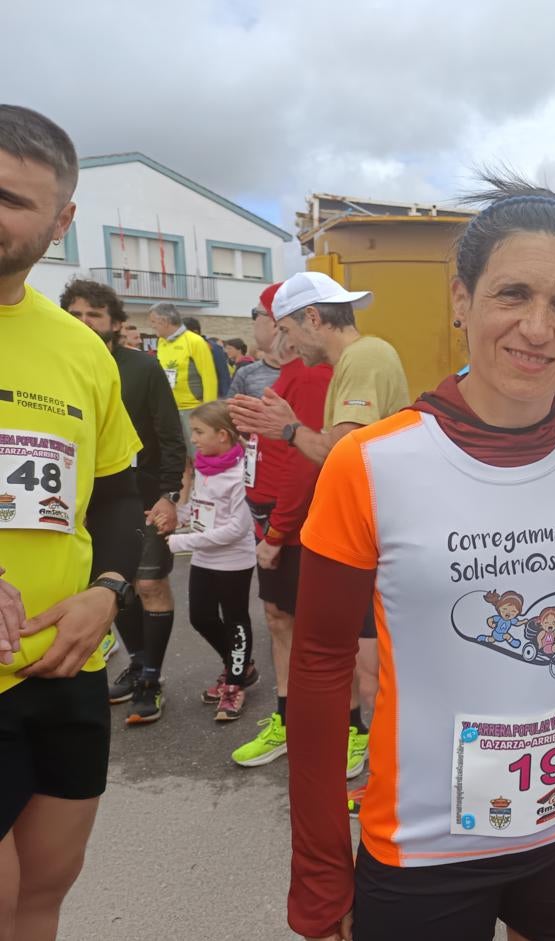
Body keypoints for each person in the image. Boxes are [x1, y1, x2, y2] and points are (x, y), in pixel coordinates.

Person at [285, 176, 555, 941]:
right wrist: (318, 867)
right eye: (512, 293)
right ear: (460, 299)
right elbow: (316, 666)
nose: (537, 328)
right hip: (425, 842)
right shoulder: (371, 463)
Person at [0, 104, 143, 941]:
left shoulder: (83, 349)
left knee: (44, 894)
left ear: (62, 221)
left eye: (14, 201)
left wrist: (110, 591)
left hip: (62, 668)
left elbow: (118, 491)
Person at [229, 271, 411, 777]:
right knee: (364, 663)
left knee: (372, 670)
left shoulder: (364, 356)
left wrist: (286, 429)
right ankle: (383, 772)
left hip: (377, 538)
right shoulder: (358, 358)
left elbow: (341, 454)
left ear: (313, 318)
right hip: (370, 534)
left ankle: (390, 782)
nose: (285, 342)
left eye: (287, 329)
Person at [60, 278, 186, 725]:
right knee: (114, 589)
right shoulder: (57, 365)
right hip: (80, 500)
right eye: (75, 314)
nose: (84, 323)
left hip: (143, 495)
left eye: (94, 315)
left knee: (150, 585)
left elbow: (171, 434)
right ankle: (136, 662)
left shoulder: (142, 368)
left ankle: (152, 678)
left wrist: (171, 495)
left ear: (115, 323)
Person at [232, 326, 332, 767]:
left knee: (318, 629)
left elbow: (303, 462)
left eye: (266, 316)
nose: (257, 326)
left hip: (289, 524)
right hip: (270, 518)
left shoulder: (310, 375)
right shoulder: (286, 373)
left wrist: (275, 534)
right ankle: (289, 723)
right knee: (279, 620)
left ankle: (341, 731)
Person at [161, 401, 256, 721]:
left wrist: (180, 541)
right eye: (193, 432)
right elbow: (200, 510)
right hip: (204, 556)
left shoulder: (239, 474)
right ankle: (240, 665)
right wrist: (176, 514)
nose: (194, 439)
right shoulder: (204, 465)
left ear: (224, 435)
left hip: (232, 560)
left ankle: (235, 683)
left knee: (235, 618)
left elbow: (235, 529)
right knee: (201, 617)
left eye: (200, 432)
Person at [148, 302, 219, 446]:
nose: (152, 326)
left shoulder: (195, 341)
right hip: (170, 407)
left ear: (165, 321)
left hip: (193, 408)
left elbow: (209, 377)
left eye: (154, 322)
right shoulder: (161, 342)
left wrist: (208, 411)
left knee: (197, 452)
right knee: (178, 452)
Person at [185, 316, 233, 397]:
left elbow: (223, 375)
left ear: (195, 332)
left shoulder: (213, 348)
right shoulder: (182, 348)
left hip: (211, 398)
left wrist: (224, 399)